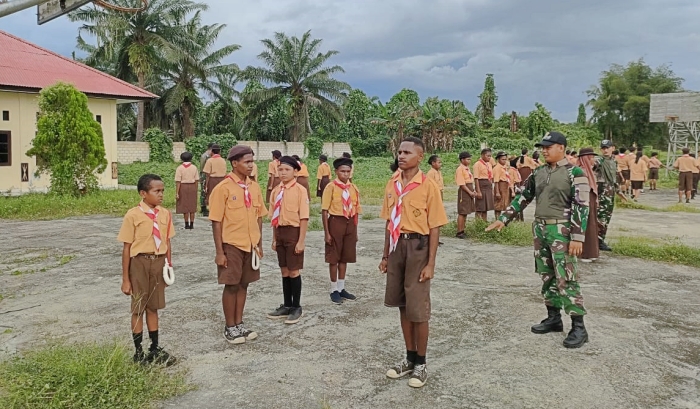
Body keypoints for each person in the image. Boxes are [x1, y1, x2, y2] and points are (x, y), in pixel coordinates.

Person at [486, 131, 590, 349]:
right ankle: (553, 318)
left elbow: (582, 205)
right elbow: (523, 197)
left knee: (566, 276)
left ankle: (579, 327)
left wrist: (578, 237)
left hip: (562, 230)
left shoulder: (575, 173)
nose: (544, 150)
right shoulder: (538, 172)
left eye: (548, 147)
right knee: (546, 274)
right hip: (541, 229)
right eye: (542, 147)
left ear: (561, 147)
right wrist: (504, 219)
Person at [379, 137, 448, 389]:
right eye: (399, 151)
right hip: (398, 247)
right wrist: (385, 255)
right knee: (402, 305)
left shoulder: (428, 186)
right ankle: (408, 358)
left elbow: (435, 227)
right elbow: (388, 223)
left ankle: (421, 362)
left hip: (418, 248)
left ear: (420, 157)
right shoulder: (392, 184)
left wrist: (430, 263)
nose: (401, 155)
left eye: (407, 152)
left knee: (418, 309)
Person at [208, 146, 267, 344]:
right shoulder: (223, 188)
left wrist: (259, 244)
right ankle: (230, 326)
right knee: (231, 285)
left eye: (252, 161)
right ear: (235, 163)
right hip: (231, 244)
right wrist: (219, 252)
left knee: (244, 284)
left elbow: (259, 216)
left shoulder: (254, 187)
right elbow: (216, 221)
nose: (251, 165)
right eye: (247, 162)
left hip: (250, 245)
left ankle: (240, 323)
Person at [118, 174, 176, 365]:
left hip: (158, 263)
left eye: (162, 191)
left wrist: (169, 266)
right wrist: (126, 279)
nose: (161, 195)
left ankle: (154, 347)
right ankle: (138, 352)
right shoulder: (133, 215)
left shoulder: (165, 214)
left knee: (154, 306)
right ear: (143, 193)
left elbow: (167, 241)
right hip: (139, 263)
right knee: (138, 308)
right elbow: (127, 248)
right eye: (156, 191)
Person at [267, 156, 310, 325]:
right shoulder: (276, 191)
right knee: (284, 271)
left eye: (287, 170)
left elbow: (304, 218)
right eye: (280, 169)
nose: (283, 173)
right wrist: (274, 239)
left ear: (295, 172)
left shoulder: (300, 190)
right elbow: (274, 217)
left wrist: (301, 241)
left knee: (294, 271)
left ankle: (296, 307)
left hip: (294, 233)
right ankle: (286, 305)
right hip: (280, 233)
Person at [321, 157, 361, 305]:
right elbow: (325, 211)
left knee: (345, 257)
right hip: (336, 222)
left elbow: (355, 211)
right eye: (342, 171)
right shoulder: (330, 187)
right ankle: (333, 289)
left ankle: (341, 287)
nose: (345, 174)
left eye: (348, 171)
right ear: (336, 171)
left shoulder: (353, 188)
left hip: (350, 224)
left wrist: (355, 232)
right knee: (334, 258)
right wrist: (327, 233)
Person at [594, 140, 618, 252]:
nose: (605, 150)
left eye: (607, 147)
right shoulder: (599, 160)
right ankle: (596, 241)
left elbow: (614, 177)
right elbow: (592, 164)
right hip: (602, 192)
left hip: (611, 192)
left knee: (607, 217)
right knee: (600, 217)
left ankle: (600, 239)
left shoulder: (613, 161)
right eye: (603, 148)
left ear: (613, 148)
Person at [578, 148, 599, 263]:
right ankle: (585, 253)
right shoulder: (581, 171)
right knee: (586, 225)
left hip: (589, 200)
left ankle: (591, 252)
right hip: (584, 200)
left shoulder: (589, 171)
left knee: (591, 225)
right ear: (587, 158)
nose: (593, 160)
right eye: (592, 158)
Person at [175, 152, 198, 229]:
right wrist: (196, 189)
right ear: (191, 158)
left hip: (183, 187)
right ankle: (192, 224)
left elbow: (178, 181)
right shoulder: (194, 167)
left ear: (182, 159)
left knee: (185, 205)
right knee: (192, 205)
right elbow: (196, 180)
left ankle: (186, 224)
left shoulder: (179, 168)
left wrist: (177, 192)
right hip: (192, 187)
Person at [455, 151, 476, 239]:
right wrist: (470, 192)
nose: (469, 161)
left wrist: (473, 190)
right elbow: (462, 184)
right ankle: (459, 231)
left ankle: (463, 229)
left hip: (469, 189)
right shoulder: (460, 169)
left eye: (470, 159)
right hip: (465, 191)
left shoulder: (467, 168)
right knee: (462, 211)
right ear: (462, 159)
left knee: (466, 211)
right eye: (467, 159)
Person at [473, 148, 494, 221]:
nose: (489, 157)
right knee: (480, 207)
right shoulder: (477, 164)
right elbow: (476, 178)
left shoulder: (489, 164)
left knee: (486, 207)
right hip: (481, 185)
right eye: (487, 156)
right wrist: (478, 191)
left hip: (488, 186)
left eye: (490, 156)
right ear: (482, 155)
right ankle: (478, 223)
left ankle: (484, 222)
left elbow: (491, 177)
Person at [493, 151, 510, 220]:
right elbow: (496, 181)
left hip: (505, 186)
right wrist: (497, 192)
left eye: (505, 159)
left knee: (504, 204)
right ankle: (497, 219)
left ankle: (502, 220)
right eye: (503, 159)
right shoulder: (497, 168)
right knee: (498, 205)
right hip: (500, 186)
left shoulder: (504, 167)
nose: (504, 161)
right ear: (498, 159)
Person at [199, 143, 214, 216]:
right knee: (204, 191)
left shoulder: (211, 156)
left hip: (210, 175)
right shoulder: (205, 156)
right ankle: (203, 207)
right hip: (204, 174)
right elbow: (202, 167)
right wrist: (202, 176)